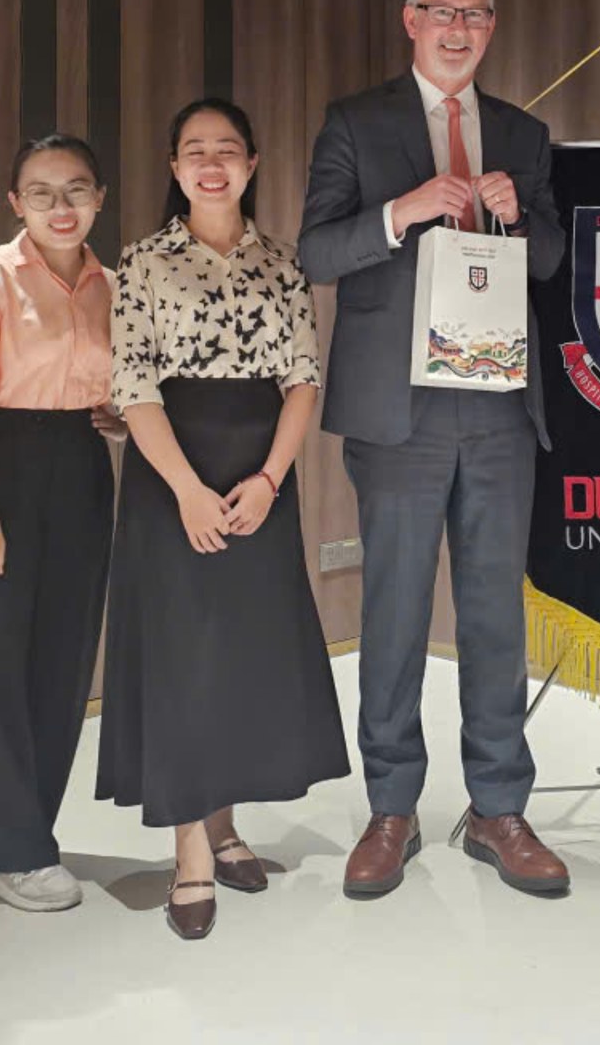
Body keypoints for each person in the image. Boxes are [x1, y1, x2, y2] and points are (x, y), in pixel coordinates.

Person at [299, 0, 569, 900]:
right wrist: (401, 211)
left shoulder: (524, 134)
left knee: (495, 616)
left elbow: (552, 261)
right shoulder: (356, 122)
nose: (459, 29)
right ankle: (391, 810)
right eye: (442, 11)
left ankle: (499, 809)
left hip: (498, 407)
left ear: (492, 26)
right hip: (398, 410)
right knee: (396, 612)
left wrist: (520, 219)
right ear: (410, 20)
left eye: (476, 14)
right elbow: (315, 252)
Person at [96, 99, 349, 940]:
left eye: (228, 149)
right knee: (183, 657)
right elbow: (133, 387)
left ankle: (227, 822)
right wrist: (186, 491)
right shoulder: (142, 262)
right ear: (174, 167)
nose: (212, 164)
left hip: (258, 479)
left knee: (239, 654)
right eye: (195, 151)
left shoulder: (282, 262)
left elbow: (303, 379)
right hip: (173, 475)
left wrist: (271, 480)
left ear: (252, 163)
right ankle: (190, 852)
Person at [0, 135, 119, 913]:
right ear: (15, 203)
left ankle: (32, 832)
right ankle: (4, 851)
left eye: (76, 190)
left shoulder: (112, 284)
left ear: (100, 197)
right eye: (41, 192)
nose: (60, 207)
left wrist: (114, 417)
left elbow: (114, 386)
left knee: (63, 656)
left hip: (81, 466)